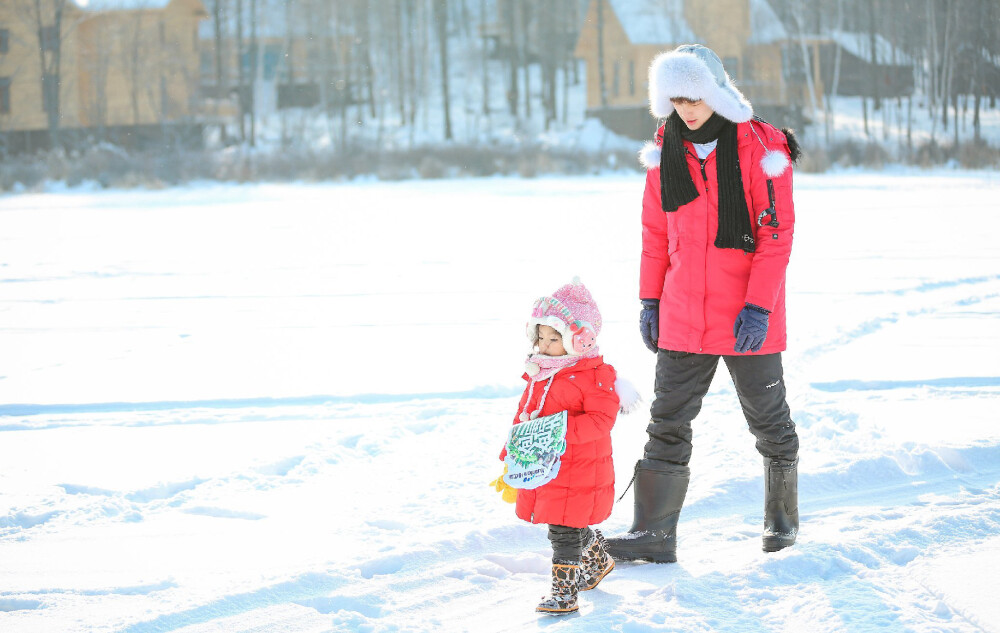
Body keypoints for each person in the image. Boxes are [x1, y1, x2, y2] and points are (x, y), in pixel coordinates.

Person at [604, 45, 802, 564]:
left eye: (694, 96)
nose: (687, 108)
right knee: (667, 421)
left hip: (746, 317)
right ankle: (652, 535)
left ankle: (781, 524)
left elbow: (775, 237)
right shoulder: (666, 147)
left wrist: (758, 307)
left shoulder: (762, 148)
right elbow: (654, 233)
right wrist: (650, 299)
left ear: (715, 91)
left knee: (769, 421)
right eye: (676, 98)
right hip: (684, 313)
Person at [492, 279, 630, 615]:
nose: (546, 344)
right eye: (541, 336)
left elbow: (601, 421)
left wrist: (557, 432)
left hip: (579, 465)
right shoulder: (541, 373)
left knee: (563, 530)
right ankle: (598, 561)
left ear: (578, 340)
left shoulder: (595, 375)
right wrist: (512, 454)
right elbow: (525, 416)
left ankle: (564, 594)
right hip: (546, 463)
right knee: (567, 521)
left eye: (555, 338)